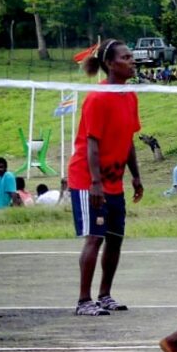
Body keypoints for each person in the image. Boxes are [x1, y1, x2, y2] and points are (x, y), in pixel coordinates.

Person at [69, 40, 143, 316]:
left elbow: (129, 138)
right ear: (111, 64)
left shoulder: (130, 95)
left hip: (114, 180)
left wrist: (135, 176)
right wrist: (95, 183)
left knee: (115, 238)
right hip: (88, 179)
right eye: (126, 57)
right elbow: (92, 143)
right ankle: (83, 300)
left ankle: (104, 295)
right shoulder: (98, 98)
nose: (132, 61)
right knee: (95, 237)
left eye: (132, 57)